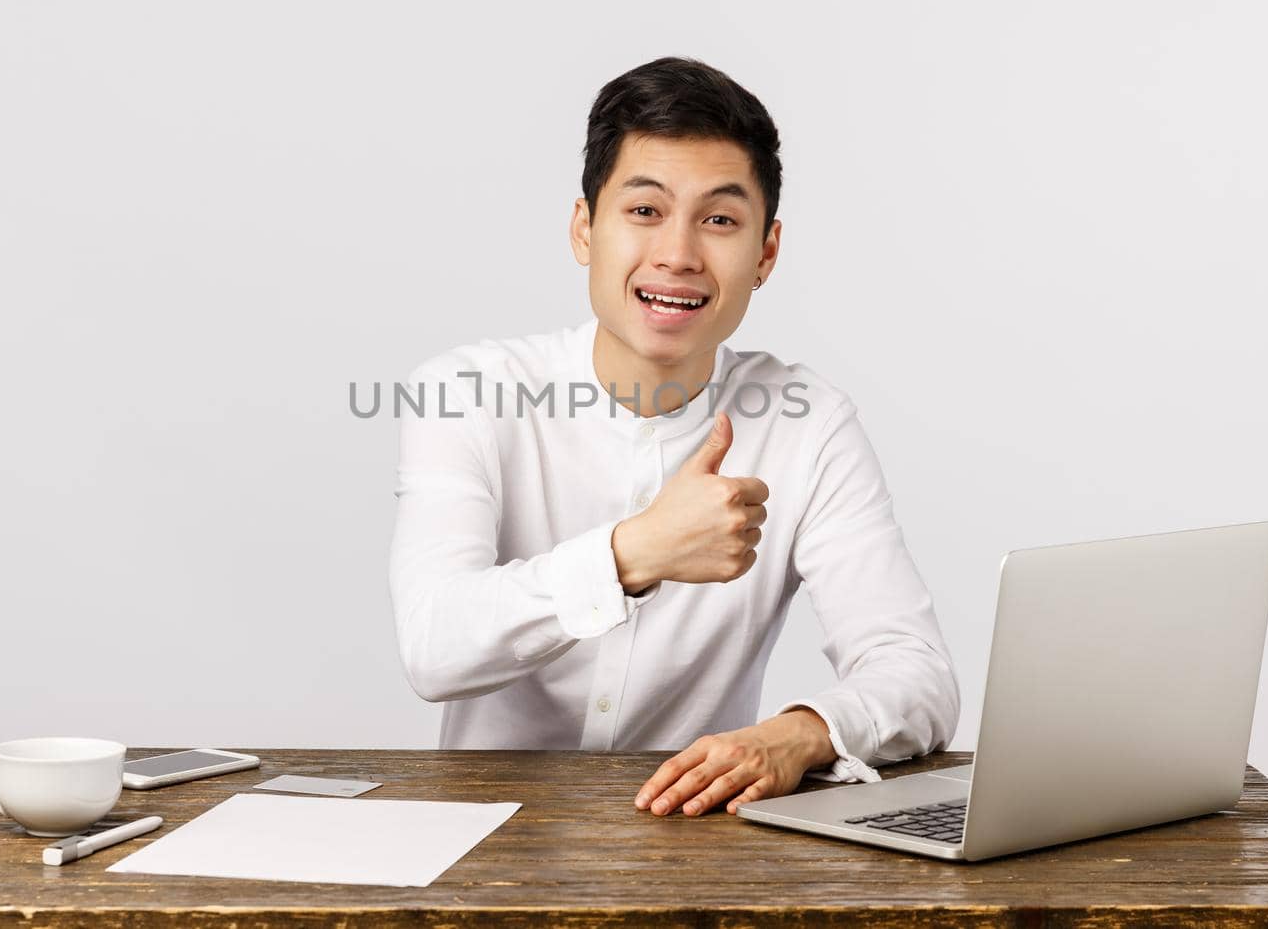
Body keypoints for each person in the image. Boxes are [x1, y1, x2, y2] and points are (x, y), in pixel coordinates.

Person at [386, 55, 959, 818]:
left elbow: (916, 670)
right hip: (486, 843)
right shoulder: (466, 394)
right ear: (585, 229)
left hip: (694, 846)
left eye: (719, 219)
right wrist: (634, 553)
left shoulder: (808, 422)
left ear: (766, 254)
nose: (679, 254)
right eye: (645, 211)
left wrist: (801, 733)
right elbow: (434, 644)